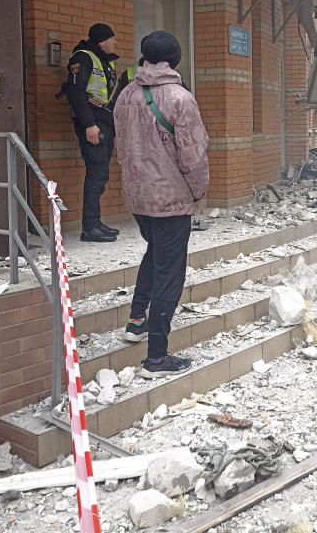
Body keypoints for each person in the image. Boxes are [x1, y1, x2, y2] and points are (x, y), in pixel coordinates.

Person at [114, 31, 209, 379]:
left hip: (138, 197)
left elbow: (122, 147)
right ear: (175, 60)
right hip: (170, 200)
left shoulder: (125, 95)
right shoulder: (181, 99)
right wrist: (198, 193)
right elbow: (194, 156)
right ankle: (156, 358)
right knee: (170, 271)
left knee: (154, 254)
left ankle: (137, 321)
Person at [60, 23, 122, 243]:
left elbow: (109, 100)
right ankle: (89, 228)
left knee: (101, 174)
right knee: (96, 174)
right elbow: (76, 93)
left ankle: (95, 223)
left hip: (103, 123)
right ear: (102, 40)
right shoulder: (83, 57)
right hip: (93, 124)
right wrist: (88, 125)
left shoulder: (104, 61)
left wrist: (113, 131)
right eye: (112, 39)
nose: (115, 42)